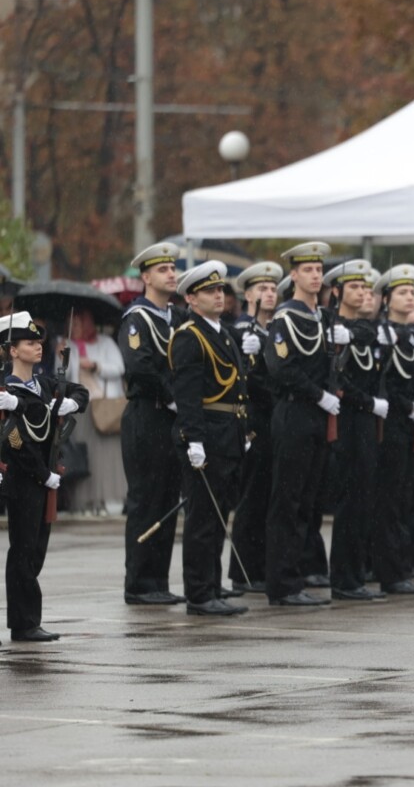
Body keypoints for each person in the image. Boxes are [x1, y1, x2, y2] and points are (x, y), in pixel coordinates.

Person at [167, 261, 250, 616]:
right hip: (206, 436)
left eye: (221, 291)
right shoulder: (189, 335)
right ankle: (199, 593)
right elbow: (187, 395)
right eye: (210, 291)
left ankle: (212, 584)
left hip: (228, 434)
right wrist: (193, 440)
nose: (219, 296)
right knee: (203, 519)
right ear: (191, 298)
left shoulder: (223, 332)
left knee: (219, 517)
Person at [1, 311, 89, 641]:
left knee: (37, 550)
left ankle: (28, 619)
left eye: (39, 342)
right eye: (29, 342)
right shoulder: (6, 390)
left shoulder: (47, 384)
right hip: (24, 479)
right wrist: (42, 474)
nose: (38, 347)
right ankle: (24, 623)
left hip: (45, 476)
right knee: (22, 550)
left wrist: (71, 405)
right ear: (12, 350)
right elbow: (14, 440)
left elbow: (81, 392)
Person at [263, 241, 336, 607]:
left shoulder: (321, 318)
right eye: (308, 270)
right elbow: (281, 368)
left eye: (319, 270)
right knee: (287, 502)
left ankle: (299, 573)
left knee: (307, 501)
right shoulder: (285, 318)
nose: (315, 275)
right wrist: (318, 394)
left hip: (315, 417)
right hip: (293, 412)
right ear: (293, 275)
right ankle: (282, 584)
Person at [120, 243, 186, 605]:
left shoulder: (175, 319)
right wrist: (170, 393)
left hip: (171, 417)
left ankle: (158, 581)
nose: (171, 274)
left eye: (173, 268)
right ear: (145, 277)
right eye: (163, 270)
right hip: (147, 414)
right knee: (146, 499)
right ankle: (138, 583)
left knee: (167, 498)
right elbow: (140, 366)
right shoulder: (137, 318)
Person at [323, 259, 389, 601]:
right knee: (349, 499)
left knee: (363, 497)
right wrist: (367, 402)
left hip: (363, 423)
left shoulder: (361, 330)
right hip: (344, 421)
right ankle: (343, 578)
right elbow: (339, 381)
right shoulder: (330, 327)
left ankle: (355, 573)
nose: (363, 293)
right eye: (355, 288)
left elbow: (369, 334)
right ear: (337, 292)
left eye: (366, 288)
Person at [370, 264, 414, 595]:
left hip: (409, 426)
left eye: (412, 292)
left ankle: (401, 564)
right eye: (403, 293)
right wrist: (409, 407)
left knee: (405, 497)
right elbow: (388, 384)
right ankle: (389, 572)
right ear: (388, 299)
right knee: (390, 500)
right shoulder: (383, 333)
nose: (411, 298)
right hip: (390, 424)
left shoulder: (411, 335)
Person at [229, 261, 282, 593]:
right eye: (262, 288)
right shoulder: (240, 332)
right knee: (252, 496)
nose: (269, 294)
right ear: (248, 294)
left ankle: (264, 565)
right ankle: (244, 572)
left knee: (270, 497)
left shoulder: (273, 332)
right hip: (253, 421)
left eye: (274, 288)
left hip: (276, 419)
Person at [64, 307, 126, 515]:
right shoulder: (67, 344)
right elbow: (65, 377)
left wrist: (95, 366)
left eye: (79, 323)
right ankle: (86, 500)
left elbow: (119, 368)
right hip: (81, 408)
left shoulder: (105, 343)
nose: (75, 328)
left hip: (104, 407)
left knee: (106, 455)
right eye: (72, 324)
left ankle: (108, 498)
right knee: (85, 455)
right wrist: (63, 357)